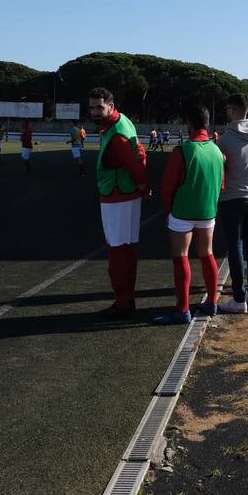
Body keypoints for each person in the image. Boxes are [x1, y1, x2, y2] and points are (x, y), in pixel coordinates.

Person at [156, 106, 225, 324]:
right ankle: (212, 302)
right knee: (207, 254)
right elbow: (221, 184)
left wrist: (168, 210)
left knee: (181, 258)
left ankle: (182, 309)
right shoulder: (217, 151)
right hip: (207, 211)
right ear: (207, 124)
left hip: (182, 212)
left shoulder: (183, 150)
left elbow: (168, 186)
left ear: (190, 125)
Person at [89, 87, 149, 317]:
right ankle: (127, 300)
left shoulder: (117, 133)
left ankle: (123, 302)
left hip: (117, 196)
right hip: (127, 194)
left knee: (117, 252)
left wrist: (144, 186)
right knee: (127, 249)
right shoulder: (122, 121)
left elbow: (133, 161)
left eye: (99, 107)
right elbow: (138, 153)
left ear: (111, 106)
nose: (95, 111)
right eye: (92, 107)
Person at [215, 94, 248, 314]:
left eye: (228, 109)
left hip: (232, 197)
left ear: (233, 111)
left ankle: (238, 297)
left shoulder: (226, 139)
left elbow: (218, 168)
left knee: (235, 246)